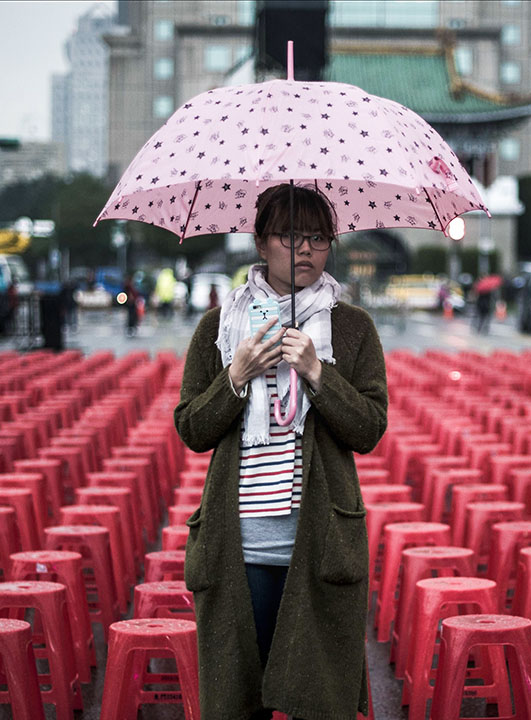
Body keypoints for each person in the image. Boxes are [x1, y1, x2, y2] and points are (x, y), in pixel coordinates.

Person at [174, 184, 387, 720]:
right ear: (261, 242)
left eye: (319, 238)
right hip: (238, 545)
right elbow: (192, 429)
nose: (306, 250)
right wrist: (237, 375)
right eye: (290, 236)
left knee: (319, 701)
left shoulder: (352, 328)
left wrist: (318, 371)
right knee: (239, 699)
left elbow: (369, 428)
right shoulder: (219, 328)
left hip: (318, 544)